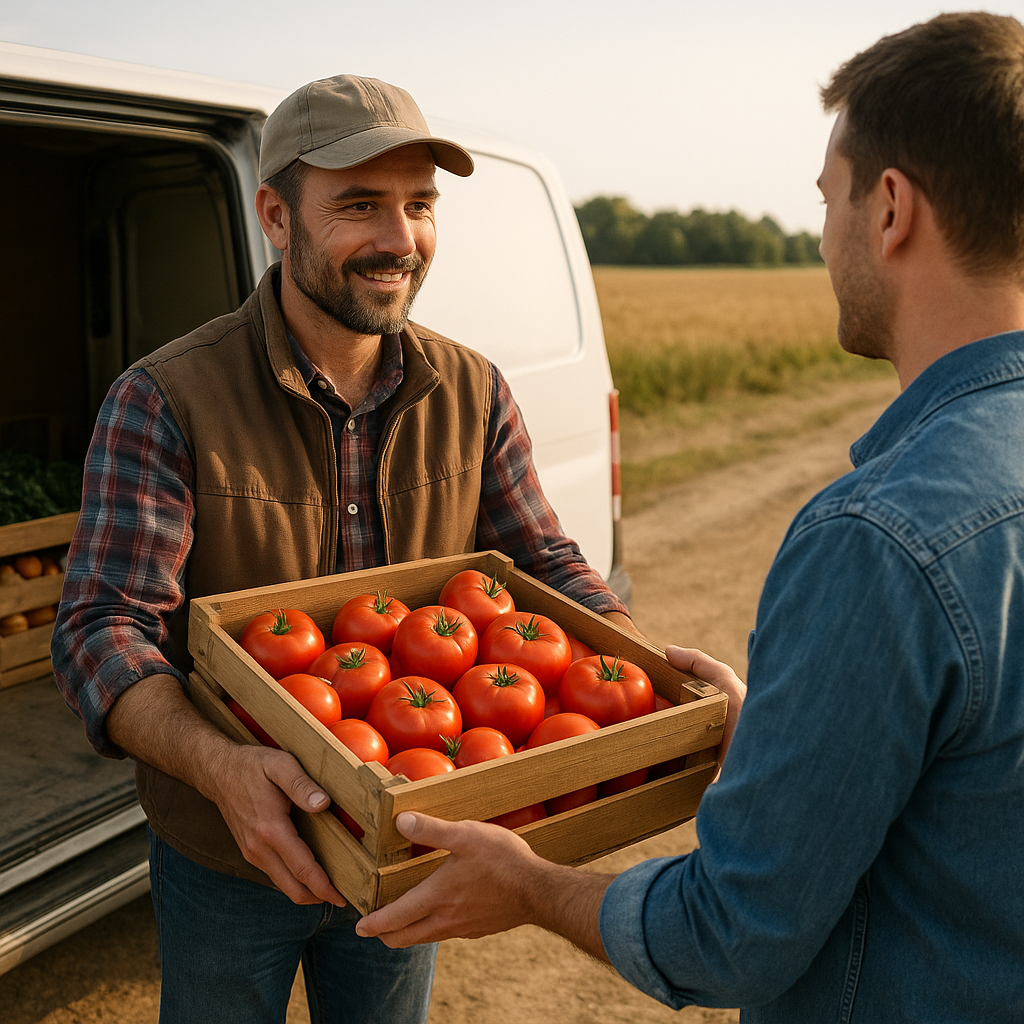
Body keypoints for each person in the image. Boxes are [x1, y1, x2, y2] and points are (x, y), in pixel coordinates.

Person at [355, 12, 1024, 1022]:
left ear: (889, 209)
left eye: (827, 198)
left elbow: (730, 934)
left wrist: (529, 884)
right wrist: (791, 739)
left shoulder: (880, 537)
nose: (822, 233)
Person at [51, 74, 633, 1024]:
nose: (400, 240)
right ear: (276, 216)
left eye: (418, 206)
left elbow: (544, 565)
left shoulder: (473, 390)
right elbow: (99, 631)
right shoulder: (165, 399)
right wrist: (222, 767)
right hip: (233, 853)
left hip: (411, 837)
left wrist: (634, 654)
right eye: (360, 205)